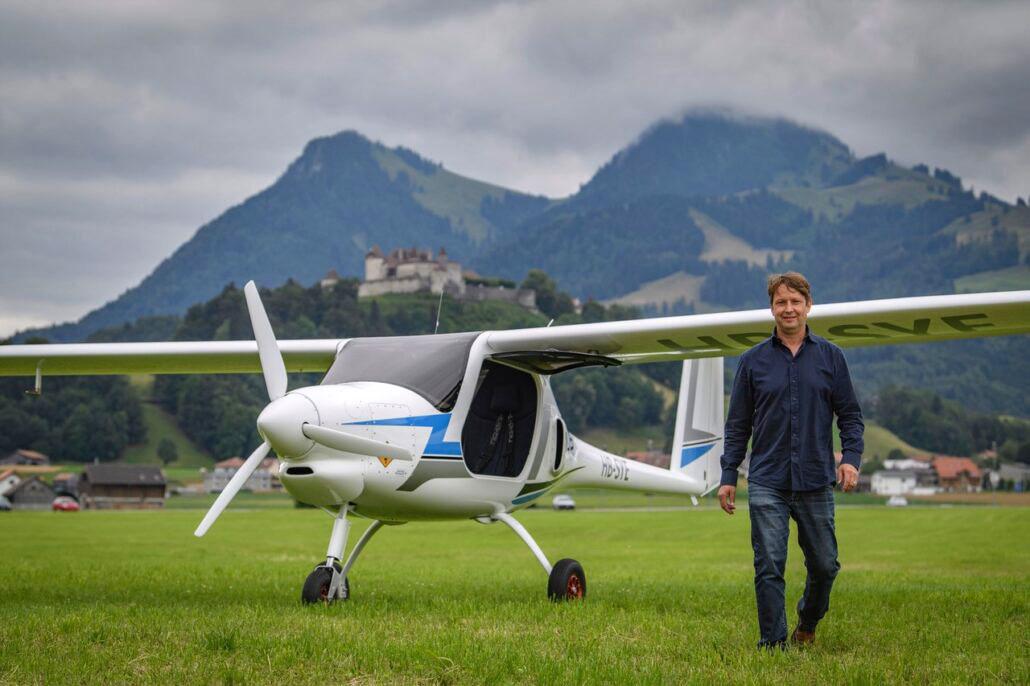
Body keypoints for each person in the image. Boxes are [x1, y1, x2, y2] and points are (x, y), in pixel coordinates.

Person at [718, 272, 863, 649]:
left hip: (816, 479)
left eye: (795, 302)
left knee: (825, 565)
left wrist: (850, 458)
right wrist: (728, 474)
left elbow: (850, 415)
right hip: (767, 479)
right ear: (772, 308)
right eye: (781, 302)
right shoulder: (752, 362)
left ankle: (808, 622)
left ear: (808, 306)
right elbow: (737, 425)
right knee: (768, 566)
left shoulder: (832, 357)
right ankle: (773, 644)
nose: (788, 308)